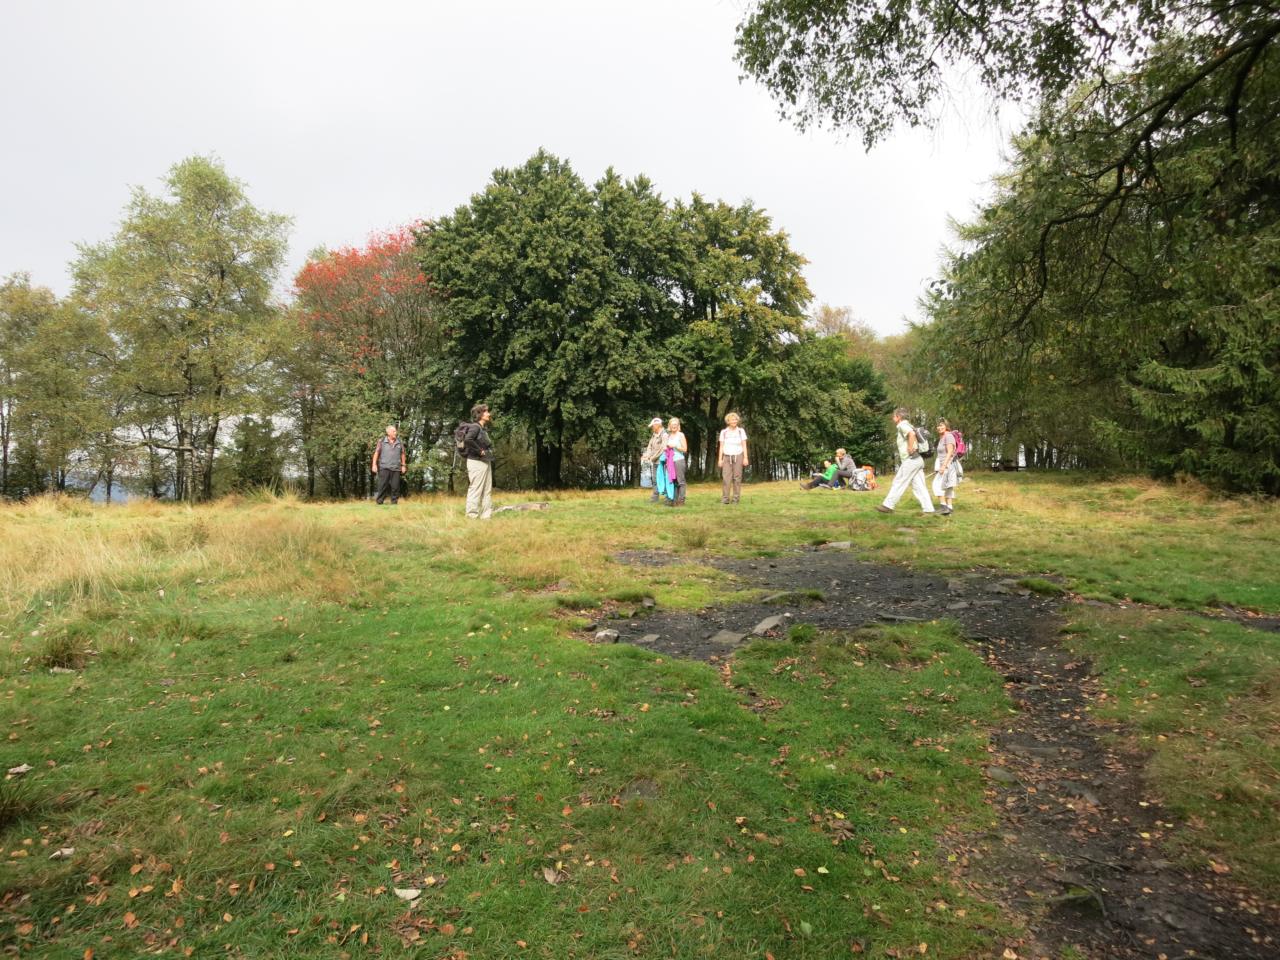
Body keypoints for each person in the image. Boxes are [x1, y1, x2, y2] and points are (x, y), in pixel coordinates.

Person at [876, 407, 936, 515]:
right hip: (917, 460)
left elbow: (911, 434)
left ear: (898, 417)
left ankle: (888, 506)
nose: (893, 418)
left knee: (898, 482)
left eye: (894, 416)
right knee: (919, 486)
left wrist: (910, 447)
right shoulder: (909, 424)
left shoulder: (902, 425)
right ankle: (929, 509)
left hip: (911, 460)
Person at [461, 403, 494, 520]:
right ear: (480, 414)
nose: (489, 414)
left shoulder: (482, 428)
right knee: (476, 489)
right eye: (486, 412)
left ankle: (486, 516)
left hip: (485, 462)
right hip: (476, 463)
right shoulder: (475, 427)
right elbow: (468, 440)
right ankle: (471, 516)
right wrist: (480, 451)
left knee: (487, 490)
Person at [717, 412, 749, 504]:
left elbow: (744, 445)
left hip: (738, 456)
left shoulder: (741, 431)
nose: (734, 421)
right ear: (728, 421)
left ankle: (735, 499)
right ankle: (725, 499)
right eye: (732, 420)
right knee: (726, 478)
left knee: (737, 478)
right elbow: (721, 447)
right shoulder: (724, 432)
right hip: (727, 457)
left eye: (735, 419)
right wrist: (720, 459)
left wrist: (745, 457)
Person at [370, 424, 406, 505]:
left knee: (395, 487)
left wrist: (403, 465)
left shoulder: (400, 442)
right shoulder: (381, 441)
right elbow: (376, 453)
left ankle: (394, 503)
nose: (395, 433)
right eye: (394, 431)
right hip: (384, 467)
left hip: (396, 468)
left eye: (395, 431)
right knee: (382, 486)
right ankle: (379, 502)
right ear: (388, 432)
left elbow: (403, 454)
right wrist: (374, 464)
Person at [932, 418, 959, 515]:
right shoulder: (942, 437)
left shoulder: (948, 436)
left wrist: (943, 466)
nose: (939, 427)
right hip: (946, 465)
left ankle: (943, 507)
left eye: (941, 425)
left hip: (947, 465)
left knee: (936, 485)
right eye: (938, 426)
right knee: (948, 487)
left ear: (946, 426)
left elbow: (950, 452)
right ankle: (949, 508)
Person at [640, 417, 668, 503]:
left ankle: (668, 498)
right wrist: (646, 456)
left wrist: (652, 458)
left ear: (657, 425)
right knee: (655, 480)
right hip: (655, 462)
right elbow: (649, 447)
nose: (652, 427)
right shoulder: (654, 435)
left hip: (663, 462)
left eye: (653, 426)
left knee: (664, 479)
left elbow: (662, 449)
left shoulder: (664, 435)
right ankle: (655, 498)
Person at [663, 416, 688, 506]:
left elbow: (685, 449)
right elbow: (664, 448)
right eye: (672, 424)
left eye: (676, 424)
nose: (674, 426)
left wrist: (675, 446)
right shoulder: (668, 435)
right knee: (672, 481)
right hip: (670, 461)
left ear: (678, 426)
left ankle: (681, 501)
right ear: (669, 425)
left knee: (680, 481)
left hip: (679, 460)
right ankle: (674, 500)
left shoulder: (681, 435)